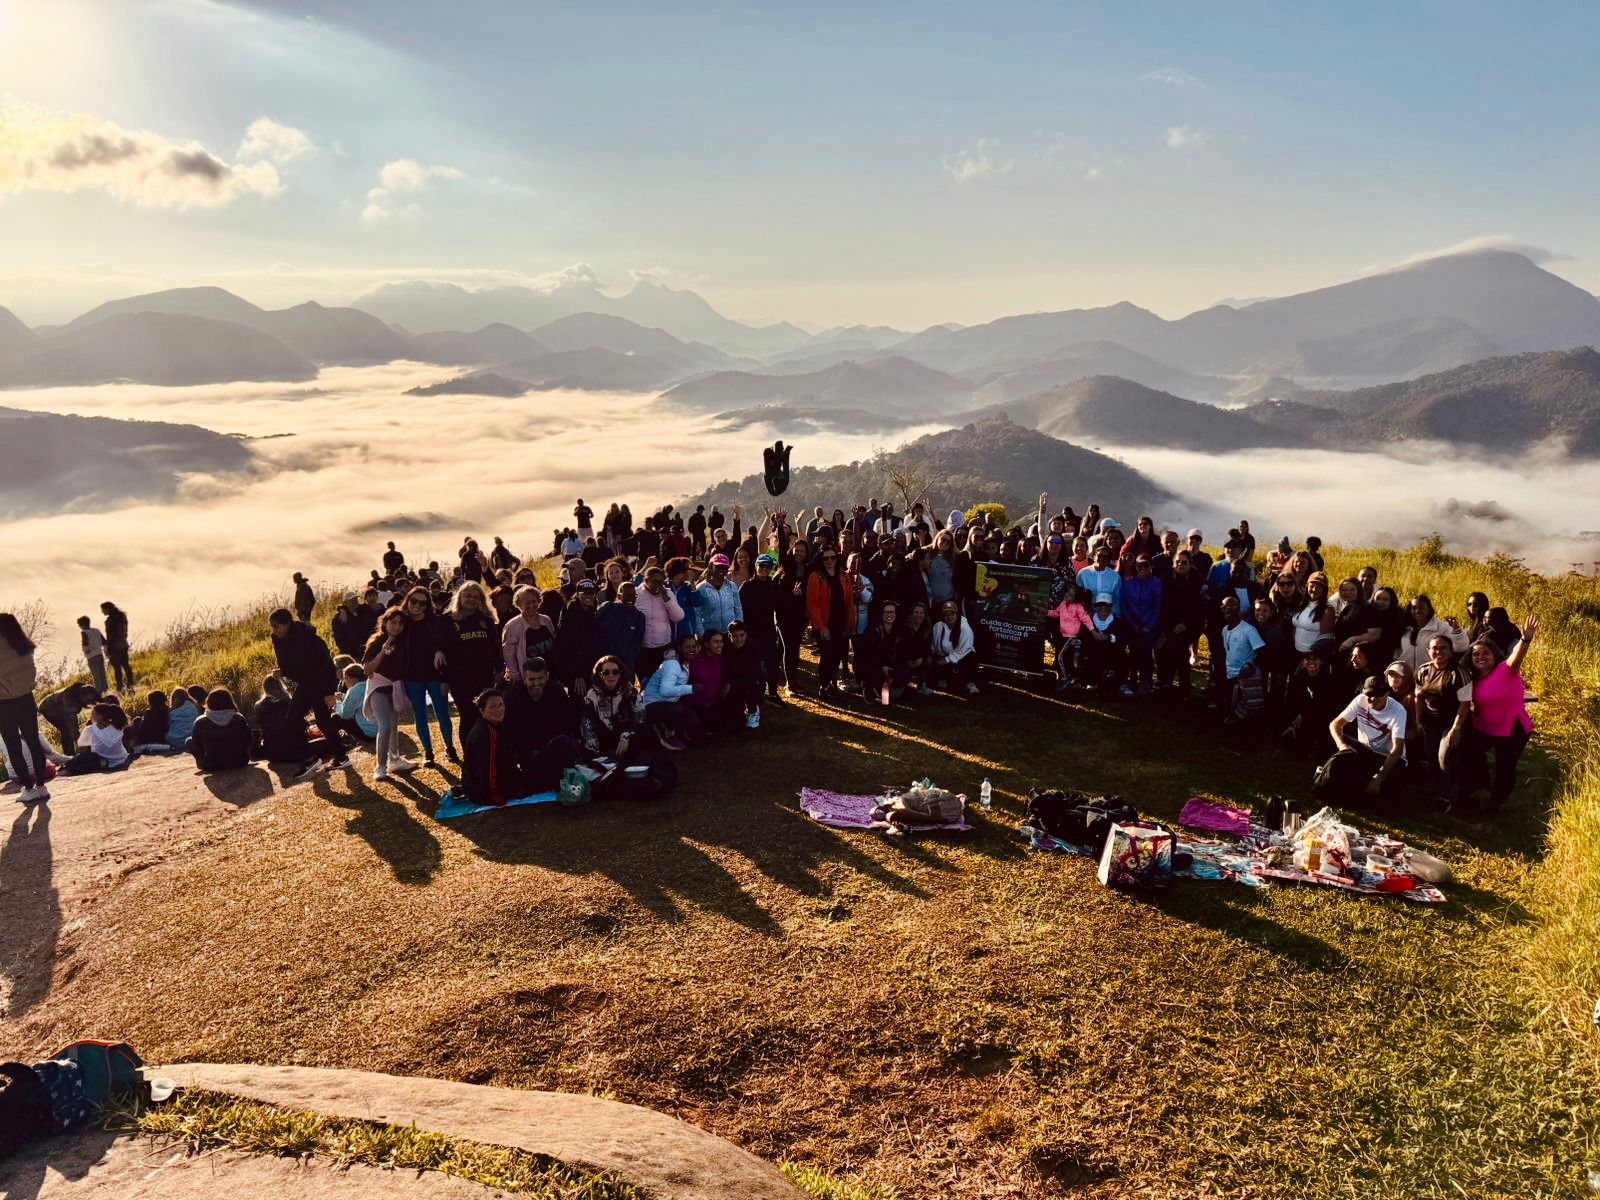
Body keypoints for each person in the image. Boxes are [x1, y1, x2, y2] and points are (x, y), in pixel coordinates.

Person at [1462, 616, 1538, 817]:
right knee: (1468, 750)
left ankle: (1494, 806)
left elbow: (1517, 656)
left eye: (1485, 653)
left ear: (1495, 654)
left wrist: (1525, 640)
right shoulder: (1474, 678)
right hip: (1485, 728)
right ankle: (1481, 788)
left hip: (1513, 728)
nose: (1480, 657)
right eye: (1475, 654)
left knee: (1505, 767)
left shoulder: (1506, 670)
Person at [268, 606, 350, 777]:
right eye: (272, 626)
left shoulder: (309, 639)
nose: (274, 630)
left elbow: (327, 666)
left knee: (315, 721)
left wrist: (330, 692)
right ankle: (334, 757)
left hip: (320, 683)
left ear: (287, 623)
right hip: (307, 683)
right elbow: (291, 665)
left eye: (277, 626)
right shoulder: (280, 639)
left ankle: (316, 758)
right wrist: (282, 671)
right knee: (302, 720)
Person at [396, 587, 457, 768]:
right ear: (407, 601)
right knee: (420, 715)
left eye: (422, 603)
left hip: (435, 675)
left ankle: (450, 747)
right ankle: (428, 753)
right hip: (411, 677)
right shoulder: (402, 624)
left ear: (427, 605)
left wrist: (446, 677)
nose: (417, 606)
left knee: (442, 714)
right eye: (413, 601)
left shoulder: (436, 622)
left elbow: (447, 648)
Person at [1323, 674, 1408, 804]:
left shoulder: (1398, 710)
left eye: (1378, 695)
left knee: (1386, 790)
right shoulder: (1360, 700)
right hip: (1365, 751)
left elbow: (1397, 748)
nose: (1373, 699)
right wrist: (1342, 747)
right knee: (1333, 737)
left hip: (1387, 757)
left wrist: (1378, 778)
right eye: (1369, 695)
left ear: (1387, 694)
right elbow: (1335, 724)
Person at [504, 657, 585, 789]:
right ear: (524, 679)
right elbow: (510, 731)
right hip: (526, 750)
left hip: (552, 745)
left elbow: (566, 723)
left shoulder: (556, 691)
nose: (536, 683)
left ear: (547, 676)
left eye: (540, 678)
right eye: (531, 679)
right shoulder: (512, 697)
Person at [1414, 634, 1473, 809]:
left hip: (1452, 722)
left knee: (1442, 756)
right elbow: (1419, 697)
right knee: (1431, 757)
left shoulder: (1460, 673)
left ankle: (1445, 797)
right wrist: (1418, 721)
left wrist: (1455, 728)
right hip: (1430, 722)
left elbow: (1465, 704)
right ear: (1428, 651)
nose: (1438, 651)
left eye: (1443, 648)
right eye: (1435, 648)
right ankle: (1436, 786)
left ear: (1450, 650)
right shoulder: (1423, 670)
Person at [0, 613, 53, 803]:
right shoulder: (25, 647)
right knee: (33, 742)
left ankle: (29, 789)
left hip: (4, 704)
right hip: (26, 699)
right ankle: (41, 786)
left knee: (14, 746)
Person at [443, 582, 502, 742]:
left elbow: (495, 647)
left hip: (484, 677)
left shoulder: (486, 620)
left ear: (481, 601)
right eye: (468, 595)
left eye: (476, 597)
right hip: (459, 679)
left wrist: (499, 670)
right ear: (460, 597)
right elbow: (441, 647)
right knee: (468, 717)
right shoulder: (447, 620)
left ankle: (488, 752)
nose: (471, 599)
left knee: (487, 715)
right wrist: (444, 679)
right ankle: (469, 759)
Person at [362, 606, 415, 780]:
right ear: (385, 623)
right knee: (384, 726)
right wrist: (382, 652)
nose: (397, 626)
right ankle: (380, 766)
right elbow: (368, 670)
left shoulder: (403, 642)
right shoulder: (376, 641)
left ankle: (395, 759)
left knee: (393, 726)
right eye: (393, 622)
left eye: (401, 623)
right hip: (378, 688)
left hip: (394, 688)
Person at [255, 674, 335, 776]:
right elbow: (300, 726)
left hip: (272, 754)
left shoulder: (258, 706)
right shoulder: (289, 702)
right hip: (296, 752)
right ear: (281, 685)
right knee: (325, 739)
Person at [806, 545, 857, 696]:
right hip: (825, 623)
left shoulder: (843, 575)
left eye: (832, 557)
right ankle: (824, 686)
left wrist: (850, 624)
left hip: (840, 622)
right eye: (826, 558)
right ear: (821, 560)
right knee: (827, 655)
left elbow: (849, 601)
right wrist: (821, 626)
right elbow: (812, 603)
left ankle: (831, 684)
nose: (829, 561)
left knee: (838, 654)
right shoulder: (816, 576)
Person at [462, 689, 523, 807]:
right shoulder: (487, 734)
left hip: (478, 786)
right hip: (483, 793)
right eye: (493, 707)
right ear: (482, 711)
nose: (499, 709)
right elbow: (487, 770)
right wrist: (497, 798)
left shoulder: (494, 725)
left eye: (501, 704)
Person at [642, 634, 703, 747]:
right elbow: (665, 691)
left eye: (694, 646)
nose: (692, 650)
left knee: (694, 720)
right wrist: (691, 688)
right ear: (679, 648)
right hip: (651, 706)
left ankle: (671, 730)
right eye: (687, 647)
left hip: (667, 704)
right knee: (681, 712)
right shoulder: (672, 664)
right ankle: (663, 730)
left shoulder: (685, 663)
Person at [1278, 651, 1342, 758]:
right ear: (1303, 661)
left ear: (1321, 662)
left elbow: (1327, 704)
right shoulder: (1298, 677)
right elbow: (1291, 700)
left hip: (1321, 716)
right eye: (1308, 659)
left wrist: (1303, 713)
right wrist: (1297, 714)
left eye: (1315, 659)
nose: (1311, 662)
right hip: (1300, 715)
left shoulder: (1328, 679)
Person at [582, 655, 647, 760]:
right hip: (603, 743)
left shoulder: (629, 691)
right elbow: (588, 729)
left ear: (620, 674)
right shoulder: (591, 697)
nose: (611, 676)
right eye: (606, 672)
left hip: (626, 738)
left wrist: (627, 735)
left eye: (615, 672)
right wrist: (597, 756)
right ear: (599, 675)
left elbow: (640, 717)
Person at [553, 580, 608, 698]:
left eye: (591, 593)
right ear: (577, 594)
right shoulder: (569, 613)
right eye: (584, 593)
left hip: (591, 668)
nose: (588, 596)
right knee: (579, 702)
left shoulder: (592, 611)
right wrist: (577, 674)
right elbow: (566, 646)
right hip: (576, 672)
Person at [1394, 594, 1469, 675]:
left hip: (1431, 677)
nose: (1417, 611)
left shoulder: (1441, 627)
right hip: (1405, 678)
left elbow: (1460, 647)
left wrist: (1456, 629)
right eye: (1414, 608)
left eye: (1421, 608)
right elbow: (1397, 652)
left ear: (1429, 609)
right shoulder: (1405, 627)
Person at [1217, 594, 1266, 720]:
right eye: (1224, 608)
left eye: (1231, 607)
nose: (1227, 610)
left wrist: (1250, 665)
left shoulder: (1248, 630)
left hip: (1244, 675)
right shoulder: (1224, 630)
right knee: (1230, 700)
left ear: (1238, 609)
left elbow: (1262, 651)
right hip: (1229, 673)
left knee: (1244, 704)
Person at [636, 565, 687, 683]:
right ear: (646, 580)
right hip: (643, 649)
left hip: (664, 647)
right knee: (646, 683)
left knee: (663, 681)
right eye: (654, 581)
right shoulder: (637, 594)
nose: (658, 585)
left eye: (661, 582)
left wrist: (667, 600)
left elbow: (679, 617)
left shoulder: (668, 593)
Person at [1121, 555, 1163, 694]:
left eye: (1146, 565)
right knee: (1132, 650)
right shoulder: (1128, 583)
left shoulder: (1157, 583)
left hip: (1150, 624)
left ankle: (1146, 680)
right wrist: (1133, 624)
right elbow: (1124, 606)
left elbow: (1158, 607)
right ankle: (1132, 679)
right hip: (1132, 623)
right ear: (1135, 567)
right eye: (1140, 566)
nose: (1143, 568)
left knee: (1144, 649)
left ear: (1151, 567)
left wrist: (1148, 626)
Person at [186, 688, 254, 771]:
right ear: (229, 701)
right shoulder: (238, 718)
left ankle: (201, 762)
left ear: (209, 702)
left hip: (211, 764)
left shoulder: (200, 721)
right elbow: (248, 739)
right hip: (240, 761)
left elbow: (196, 744)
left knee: (189, 741)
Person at [1080, 593, 1131, 693]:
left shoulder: (1119, 623)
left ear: (1111, 607)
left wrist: (1108, 638)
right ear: (1095, 607)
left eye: (1106, 605)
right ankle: (1091, 680)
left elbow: (1123, 641)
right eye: (1100, 605)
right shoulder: (1087, 622)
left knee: (1124, 657)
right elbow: (1083, 641)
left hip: (1112, 655)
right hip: (1093, 655)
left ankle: (1122, 684)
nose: (1103, 608)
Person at [597, 581, 647, 679]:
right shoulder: (608, 608)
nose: (630, 599)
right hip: (604, 662)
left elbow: (636, 645)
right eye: (627, 595)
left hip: (626, 665)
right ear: (619, 596)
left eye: (633, 595)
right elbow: (595, 630)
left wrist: (625, 666)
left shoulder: (639, 617)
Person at [38, 681, 99, 761]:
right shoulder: (69, 700)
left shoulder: (84, 690)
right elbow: (73, 726)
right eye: (87, 700)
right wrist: (80, 745)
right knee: (65, 730)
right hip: (49, 708)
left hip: (60, 706)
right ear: (81, 696)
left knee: (68, 729)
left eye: (91, 700)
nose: (89, 702)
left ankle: (73, 755)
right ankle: (69, 756)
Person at [65, 701, 130, 774]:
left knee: (85, 754)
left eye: (93, 714)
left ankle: (69, 767)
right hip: (121, 759)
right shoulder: (117, 726)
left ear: (100, 716)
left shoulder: (91, 729)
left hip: (101, 760)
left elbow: (80, 746)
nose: (91, 716)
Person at [930, 600, 979, 695]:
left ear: (957, 613)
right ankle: (943, 679)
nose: (949, 617)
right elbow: (933, 644)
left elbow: (965, 649)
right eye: (946, 614)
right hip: (943, 657)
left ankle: (970, 683)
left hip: (960, 658)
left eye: (952, 613)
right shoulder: (937, 626)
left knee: (971, 657)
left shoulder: (965, 628)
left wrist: (948, 659)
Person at [724, 621, 767, 729]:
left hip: (750, 682)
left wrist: (733, 683)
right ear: (730, 635)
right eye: (735, 636)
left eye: (741, 635)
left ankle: (753, 708)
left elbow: (754, 672)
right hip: (732, 682)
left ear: (746, 634)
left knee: (752, 686)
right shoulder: (725, 647)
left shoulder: (753, 646)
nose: (739, 639)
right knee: (736, 722)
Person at [328, 663, 379, 744]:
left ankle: (334, 743)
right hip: (382, 728)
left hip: (370, 733)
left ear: (348, 677)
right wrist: (344, 698)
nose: (345, 682)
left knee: (335, 717)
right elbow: (359, 702)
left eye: (345, 679)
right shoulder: (369, 684)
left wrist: (337, 703)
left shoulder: (354, 690)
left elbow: (346, 715)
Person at [697, 554, 744, 635]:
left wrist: (738, 630)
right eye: (718, 567)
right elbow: (697, 614)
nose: (722, 570)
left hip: (730, 634)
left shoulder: (732, 586)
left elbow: (738, 609)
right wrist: (702, 634)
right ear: (711, 567)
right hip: (710, 635)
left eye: (725, 567)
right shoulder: (701, 588)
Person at [1075, 544, 1122, 617]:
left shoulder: (1115, 576)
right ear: (1094, 556)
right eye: (1100, 556)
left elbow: (1117, 600)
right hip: (1087, 615)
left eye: (1106, 557)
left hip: (1108, 615)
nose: (1102, 559)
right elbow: (1078, 597)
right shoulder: (1083, 574)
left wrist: (1115, 616)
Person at [331, 592, 377, 659]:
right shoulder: (339, 618)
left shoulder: (361, 611)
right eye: (351, 601)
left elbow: (375, 608)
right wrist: (348, 654)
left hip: (363, 653)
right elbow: (339, 639)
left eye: (356, 600)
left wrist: (341, 608)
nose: (355, 602)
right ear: (345, 603)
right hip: (350, 655)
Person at [101, 601, 134, 690]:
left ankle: (120, 686)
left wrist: (109, 649)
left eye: (103, 610)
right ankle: (130, 683)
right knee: (126, 664)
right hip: (123, 643)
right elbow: (125, 631)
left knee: (117, 667)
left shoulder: (110, 621)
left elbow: (110, 636)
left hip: (115, 646)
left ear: (107, 609)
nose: (102, 612)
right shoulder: (122, 616)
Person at [78, 614, 109, 695]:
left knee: (96, 675)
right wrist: (106, 653)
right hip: (99, 654)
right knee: (102, 673)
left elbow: (85, 645)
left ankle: (99, 693)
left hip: (92, 656)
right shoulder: (96, 630)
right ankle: (105, 690)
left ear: (82, 624)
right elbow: (104, 642)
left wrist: (86, 650)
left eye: (79, 625)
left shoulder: (84, 632)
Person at [165, 686, 201, 752]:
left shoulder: (172, 711)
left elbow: (168, 724)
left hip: (175, 740)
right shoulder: (193, 706)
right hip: (192, 737)